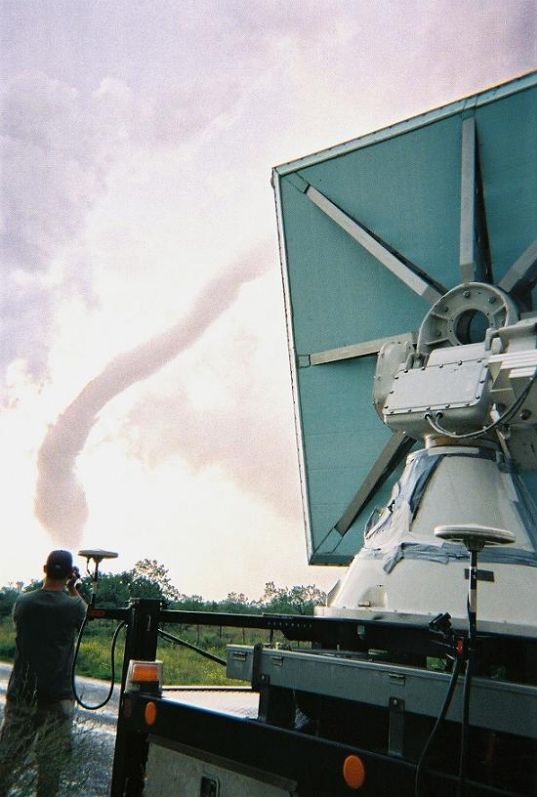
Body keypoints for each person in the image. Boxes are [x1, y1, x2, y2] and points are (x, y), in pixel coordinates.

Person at [0, 550, 87, 797]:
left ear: (44, 569)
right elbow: (87, 615)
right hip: (57, 699)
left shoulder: (24, 602)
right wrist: (74, 588)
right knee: (50, 770)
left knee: (6, 762)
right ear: (70, 574)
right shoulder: (71, 606)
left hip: (22, 695)